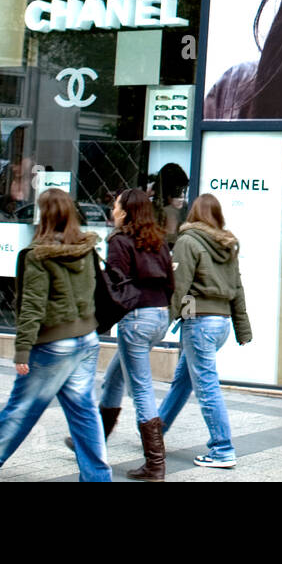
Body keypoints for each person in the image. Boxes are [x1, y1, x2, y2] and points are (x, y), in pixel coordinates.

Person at [0, 188, 110, 482]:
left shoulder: (38, 255)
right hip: (87, 339)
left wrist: (22, 349)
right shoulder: (87, 249)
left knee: (23, 407)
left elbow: (32, 306)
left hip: (54, 344)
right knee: (84, 411)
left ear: (44, 216)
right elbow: (93, 293)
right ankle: (98, 478)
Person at [158, 194, 252, 468]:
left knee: (207, 387)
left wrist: (162, 323)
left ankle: (223, 449)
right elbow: (237, 289)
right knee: (183, 381)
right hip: (220, 323)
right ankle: (154, 433)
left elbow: (178, 285)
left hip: (199, 322)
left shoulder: (188, 241)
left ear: (193, 214)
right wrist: (242, 330)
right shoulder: (227, 245)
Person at [93, 188, 175, 481]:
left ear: (125, 211)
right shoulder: (158, 240)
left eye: (115, 206)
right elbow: (170, 282)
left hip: (136, 318)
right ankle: (93, 442)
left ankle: (155, 464)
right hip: (159, 316)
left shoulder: (119, 241)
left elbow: (115, 284)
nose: (112, 211)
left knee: (141, 389)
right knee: (114, 377)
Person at [150, 162, 190, 247]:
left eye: (184, 190)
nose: (182, 195)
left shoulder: (186, 209)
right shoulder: (150, 212)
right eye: (177, 191)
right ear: (167, 191)